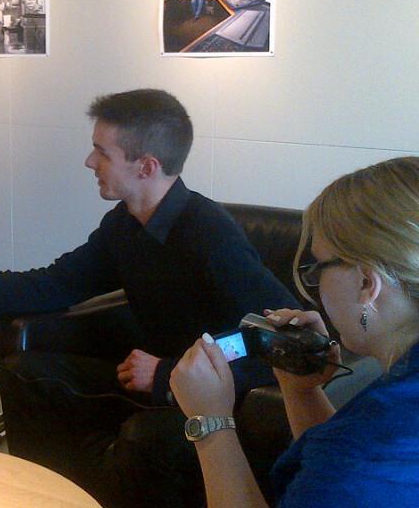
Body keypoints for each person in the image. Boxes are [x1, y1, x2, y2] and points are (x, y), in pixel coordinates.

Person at [0, 89, 298, 507]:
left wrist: (170, 373)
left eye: (102, 152)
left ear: (146, 166)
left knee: (147, 439)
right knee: (26, 372)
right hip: (155, 376)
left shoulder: (210, 234)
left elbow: (279, 338)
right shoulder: (125, 225)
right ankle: (46, 497)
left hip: (220, 400)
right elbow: (54, 282)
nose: (89, 162)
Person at [171, 156, 419, 507]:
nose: (315, 286)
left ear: (367, 283)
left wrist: (210, 424)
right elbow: (324, 477)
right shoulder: (398, 385)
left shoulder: (366, 453)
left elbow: (344, 470)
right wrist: (299, 391)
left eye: (319, 267)